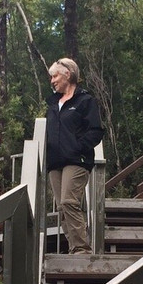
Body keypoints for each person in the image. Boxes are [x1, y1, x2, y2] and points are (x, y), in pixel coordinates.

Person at [45, 57, 104, 254]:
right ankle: (73, 249)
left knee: (68, 201)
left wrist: (77, 148)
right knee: (62, 208)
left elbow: (95, 131)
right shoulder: (53, 103)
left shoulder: (85, 101)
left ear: (67, 74)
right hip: (55, 163)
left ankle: (82, 249)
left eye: (54, 76)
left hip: (77, 161)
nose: (52, 81)